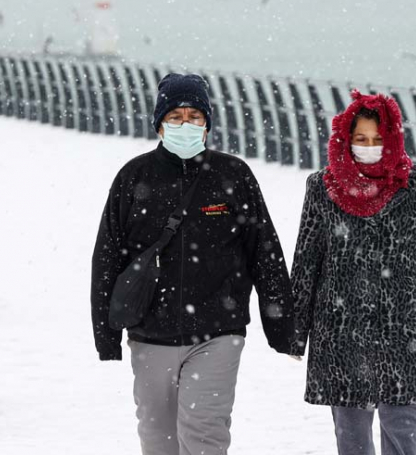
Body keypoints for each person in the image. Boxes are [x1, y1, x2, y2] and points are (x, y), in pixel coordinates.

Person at [91, 73, 295, 455]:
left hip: (218, 332)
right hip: (150, 333)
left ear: (208, 123)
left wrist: (283, 328)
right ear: (159, 123)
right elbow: (107, 258)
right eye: (176, 116)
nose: (186, 125)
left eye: (195, 116)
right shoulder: (134, 177)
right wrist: (107, 335)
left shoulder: (233, 175)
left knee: (204, 436)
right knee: (159, 441)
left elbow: (264, 252)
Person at [290, 91, 416, 455]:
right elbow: (307, 262)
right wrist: (295, 335)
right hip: (341, 329)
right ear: (346, 140)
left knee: (403, 430)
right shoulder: (322, 187)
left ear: (393, 139)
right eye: (361, 140)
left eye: (378, 140)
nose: (370, 147)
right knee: (350, 437)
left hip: (409, 324)